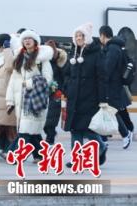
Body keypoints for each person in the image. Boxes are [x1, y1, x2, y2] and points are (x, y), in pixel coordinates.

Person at [6, 29, 53, 161]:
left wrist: (30, 83)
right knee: (32, 131)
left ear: (35, 42)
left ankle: (13, 154)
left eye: (29, 39)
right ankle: (40, 155)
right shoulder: (19, 58)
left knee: (25, 131)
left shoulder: (42, 60)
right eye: (24, 39)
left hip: (35, 100)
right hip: (21, 100)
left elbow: (47, 79)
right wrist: (10, 100)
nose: (27, 41)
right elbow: (13, 81)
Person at [63, 23, 107, 163]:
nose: (78, 38)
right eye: (76, 36)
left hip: (90, 98)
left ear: (87, 37)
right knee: (75, 129)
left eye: (81, 35)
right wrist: (67, 87)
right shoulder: (73, 53)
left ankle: (101, 145)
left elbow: (101, 77)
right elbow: (66, 74)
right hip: (74, 97)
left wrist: (102, 99)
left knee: (87, 129)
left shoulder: (96, 54)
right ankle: (76, 158)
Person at [99, 25, 133, 149]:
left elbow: (107, 68)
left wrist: (101, 79)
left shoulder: (112, 49)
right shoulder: (115, 47)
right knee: (106, 111)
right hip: (112, 86)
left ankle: (125, 134)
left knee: (110, 111)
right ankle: (103, 139)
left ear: (103, 35)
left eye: (100, 36)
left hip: (111, 86)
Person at [43, 40, 67, 145]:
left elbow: (66, 78)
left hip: (56, 92)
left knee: (51, 118)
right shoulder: (43, 61)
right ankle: (50, 133)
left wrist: (61, 90)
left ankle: (50, 138)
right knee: (43, 119)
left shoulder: (61, 61)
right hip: (44, 92)